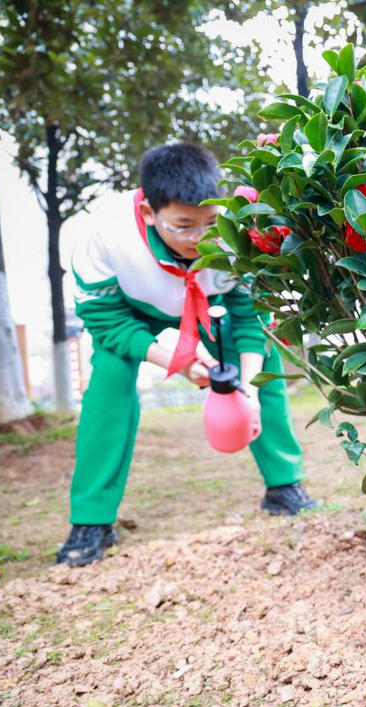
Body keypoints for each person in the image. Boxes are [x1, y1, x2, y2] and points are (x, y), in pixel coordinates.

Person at [59, 142, 317, 566]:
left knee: (262, 365)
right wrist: (174, 360)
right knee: (109, 377)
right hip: (133, 313)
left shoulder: (236, 229)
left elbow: (251, 317)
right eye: (183, 226)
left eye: (209, 224)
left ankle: (283, 487)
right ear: (149, 213)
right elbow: (105, 322)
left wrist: (247, 389)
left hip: (207, 309)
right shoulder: (103, 237)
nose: (198, 238)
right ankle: (91, 520)